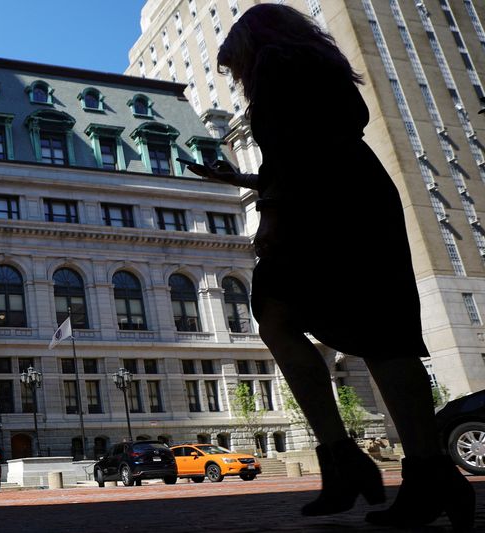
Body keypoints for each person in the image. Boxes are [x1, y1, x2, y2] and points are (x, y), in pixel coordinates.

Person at [186, 5, 475, 530]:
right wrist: (248, 184)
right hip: (354, 193)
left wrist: (270, 213)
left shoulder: (275, 63)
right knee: (383, 331)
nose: (235, 74)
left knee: (281, 315)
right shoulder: (319, 62)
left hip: (318, 207)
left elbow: (292, 150)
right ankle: (417, 472)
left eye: (233, 64)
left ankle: (354, 463)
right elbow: (318, 145)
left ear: (252, 41)